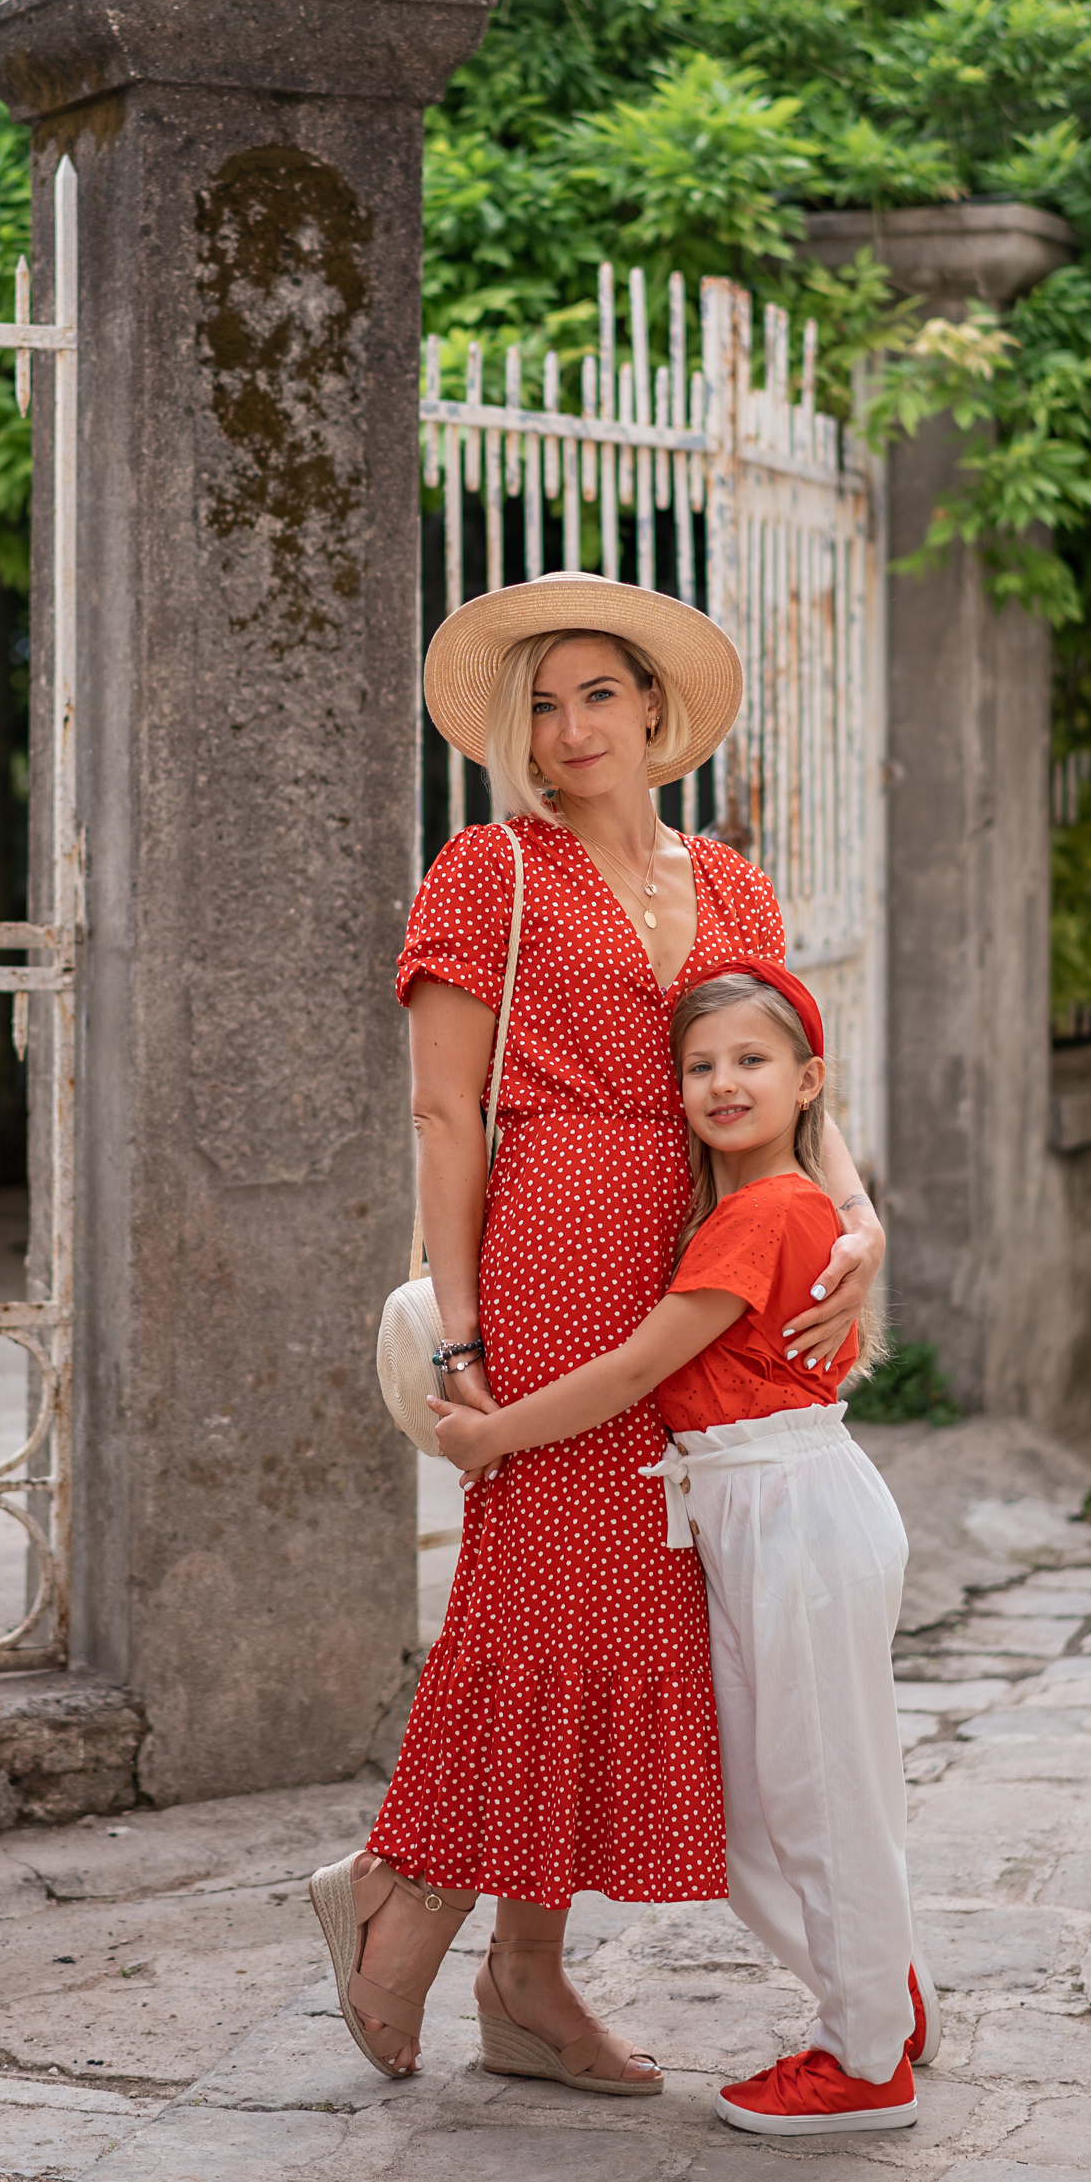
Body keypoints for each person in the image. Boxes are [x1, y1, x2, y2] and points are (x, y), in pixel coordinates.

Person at [307, 572, 887, 2091]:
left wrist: (858, 1216)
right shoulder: (486, 872)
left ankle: (518, 1973)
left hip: (705, 1265)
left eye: (598, 696)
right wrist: (460, 1327)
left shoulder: (737, 887)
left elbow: (791, 1069)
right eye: (543, 705)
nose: (570, 729)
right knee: (541, 1594)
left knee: (624, 1612)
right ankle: (414, 1911)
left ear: (653, 712)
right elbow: (443, 1112)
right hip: (557, 1249)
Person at [430, 960, 934, 2137]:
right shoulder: (758, 1208)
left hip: (790, 1509)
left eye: (750, 1061)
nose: (720, 1083)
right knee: (766, 1803)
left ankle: (865, 2065)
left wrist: (490, 1432)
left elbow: (635, 1368)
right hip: (756, 1508)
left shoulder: (765, 1212)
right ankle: (878, 2001)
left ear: (809, 1084)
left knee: (813, 1794)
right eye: (699, 1065)